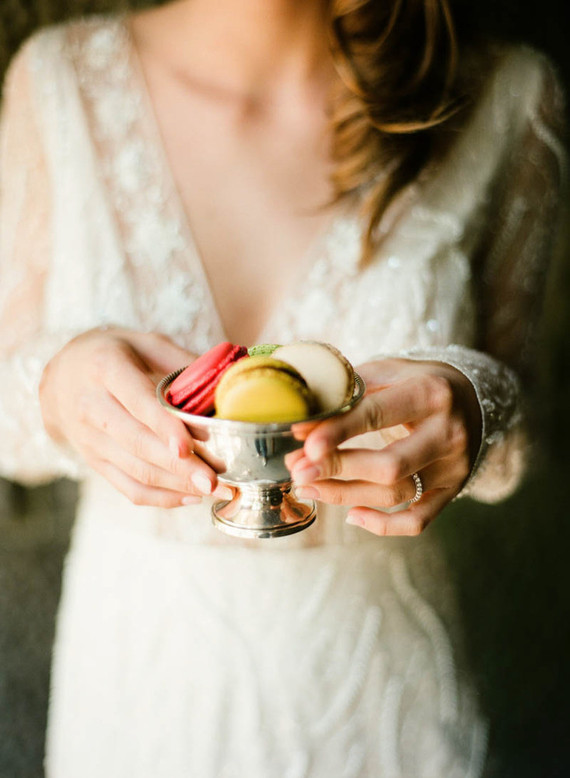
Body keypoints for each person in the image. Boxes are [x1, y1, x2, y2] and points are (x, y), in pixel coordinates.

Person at [0, 0, 565, 775]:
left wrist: (475, 403)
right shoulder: (59, 80)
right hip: (138, 695)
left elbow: (520, 426)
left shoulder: (507, 95)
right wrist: (57, 387)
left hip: (375, 699)